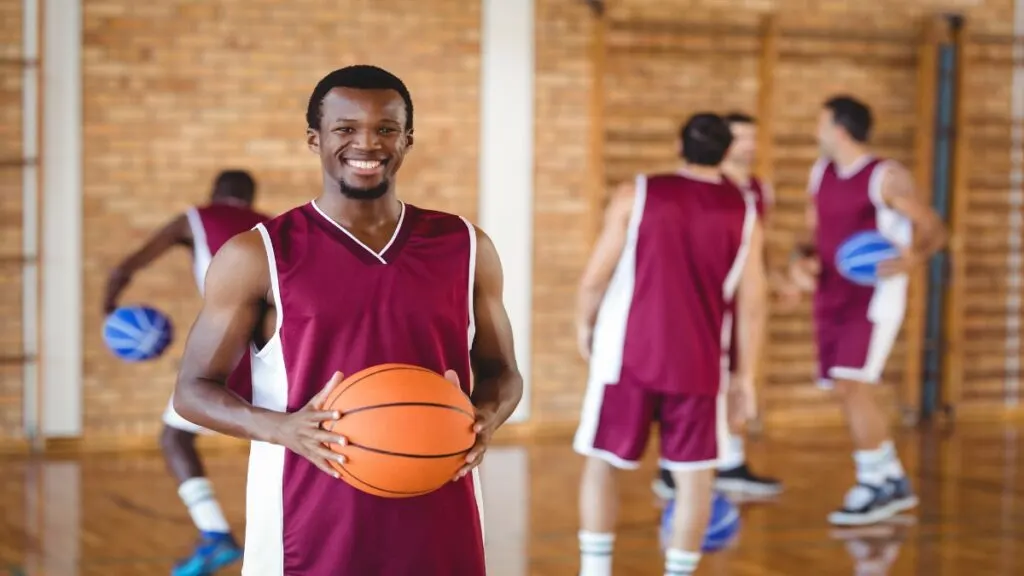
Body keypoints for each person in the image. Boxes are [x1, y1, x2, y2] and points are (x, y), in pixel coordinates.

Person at [171, 65, 523, 575]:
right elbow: (193, 390)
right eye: (346, 128)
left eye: (386, 128)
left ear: (407, 139)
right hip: (307, 515)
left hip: (440, 501)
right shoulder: (258, 254)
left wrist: (484, 418)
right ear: (315, 140)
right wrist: (284, 429)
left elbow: (502, 371)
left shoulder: (466, 246)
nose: (368, 143)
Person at [574, 113, 767, 576]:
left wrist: (584, 324)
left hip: (628, 355)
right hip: (699, 363)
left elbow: (595, 277)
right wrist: (746, 377)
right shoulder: (743, 211)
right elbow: (755, 304)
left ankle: (594, 571)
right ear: (725, 152)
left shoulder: (636, 193)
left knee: (602, 464)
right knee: (694, 478)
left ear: (679, 146)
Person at [786, 95, 946, 526]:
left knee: (853, 384)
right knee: (844, 388)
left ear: (840, 130)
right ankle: (890, 477)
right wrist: (799, 262)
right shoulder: (820, 173)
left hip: (871, 298)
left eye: (820, 124)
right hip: (830, 294)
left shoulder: (884, 177)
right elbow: (814, 235)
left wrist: (913, 259)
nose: (815, 132)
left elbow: (932, 225)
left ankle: (875, 482)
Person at [103, 169, 268, 576]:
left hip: (229, 346)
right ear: (251, 198)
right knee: (274, 438)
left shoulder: (194, 219)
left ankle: (215, 536)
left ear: (214, 193)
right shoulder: (271, 225)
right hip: (274, 347)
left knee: (175, 437)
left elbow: (123, 268)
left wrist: (111, 315)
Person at [650, 112, 782, 500]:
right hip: (694, 308)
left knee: (738, 378)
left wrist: (778, 281)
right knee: (693, 384)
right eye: (740, 137)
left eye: (753, 138)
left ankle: (731, 460)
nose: (748, 145)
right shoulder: (695, 187)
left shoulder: (759, 190)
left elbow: (756, 255)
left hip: (738, 302)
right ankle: (673, 468)